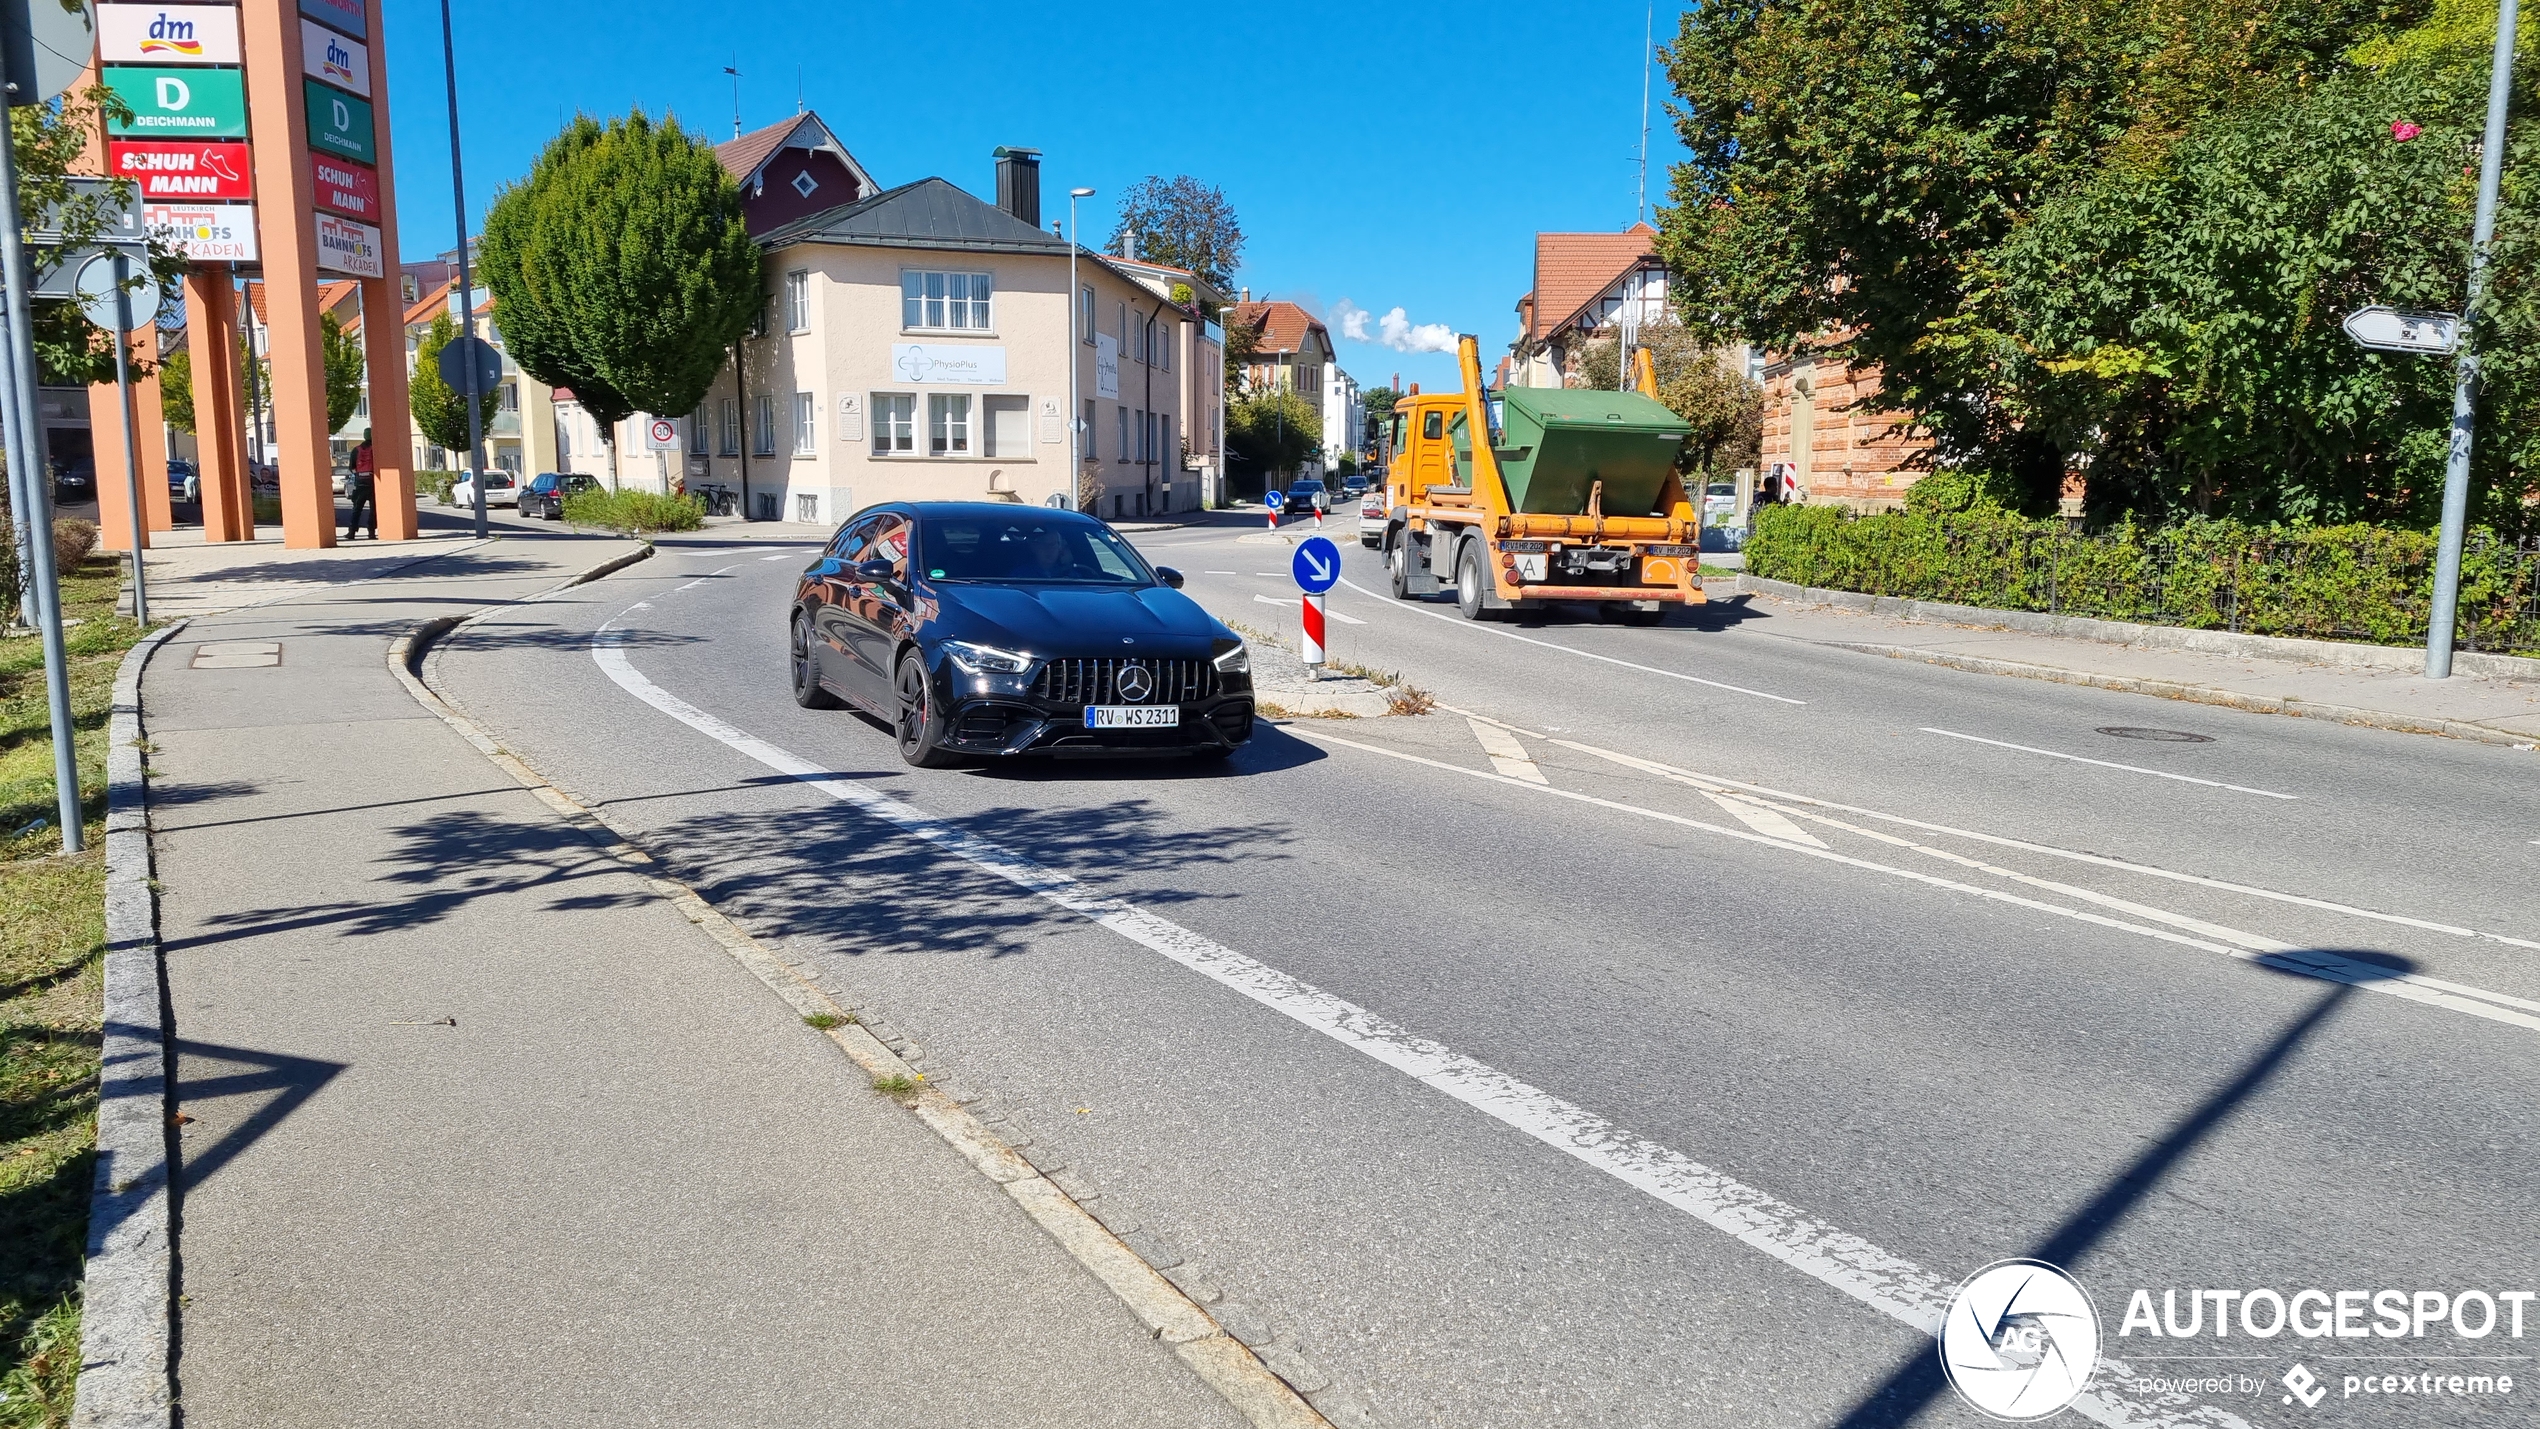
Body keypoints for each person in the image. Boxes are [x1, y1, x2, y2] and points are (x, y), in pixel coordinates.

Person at [343, 431, 377, 540]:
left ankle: (352, 532)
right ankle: (371, 532)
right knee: (373, 509)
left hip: (360, 482)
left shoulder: (356, 450)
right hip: (373, 482)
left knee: (357, 508)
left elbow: (351, 467)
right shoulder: (376, 449)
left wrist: (357, 475)